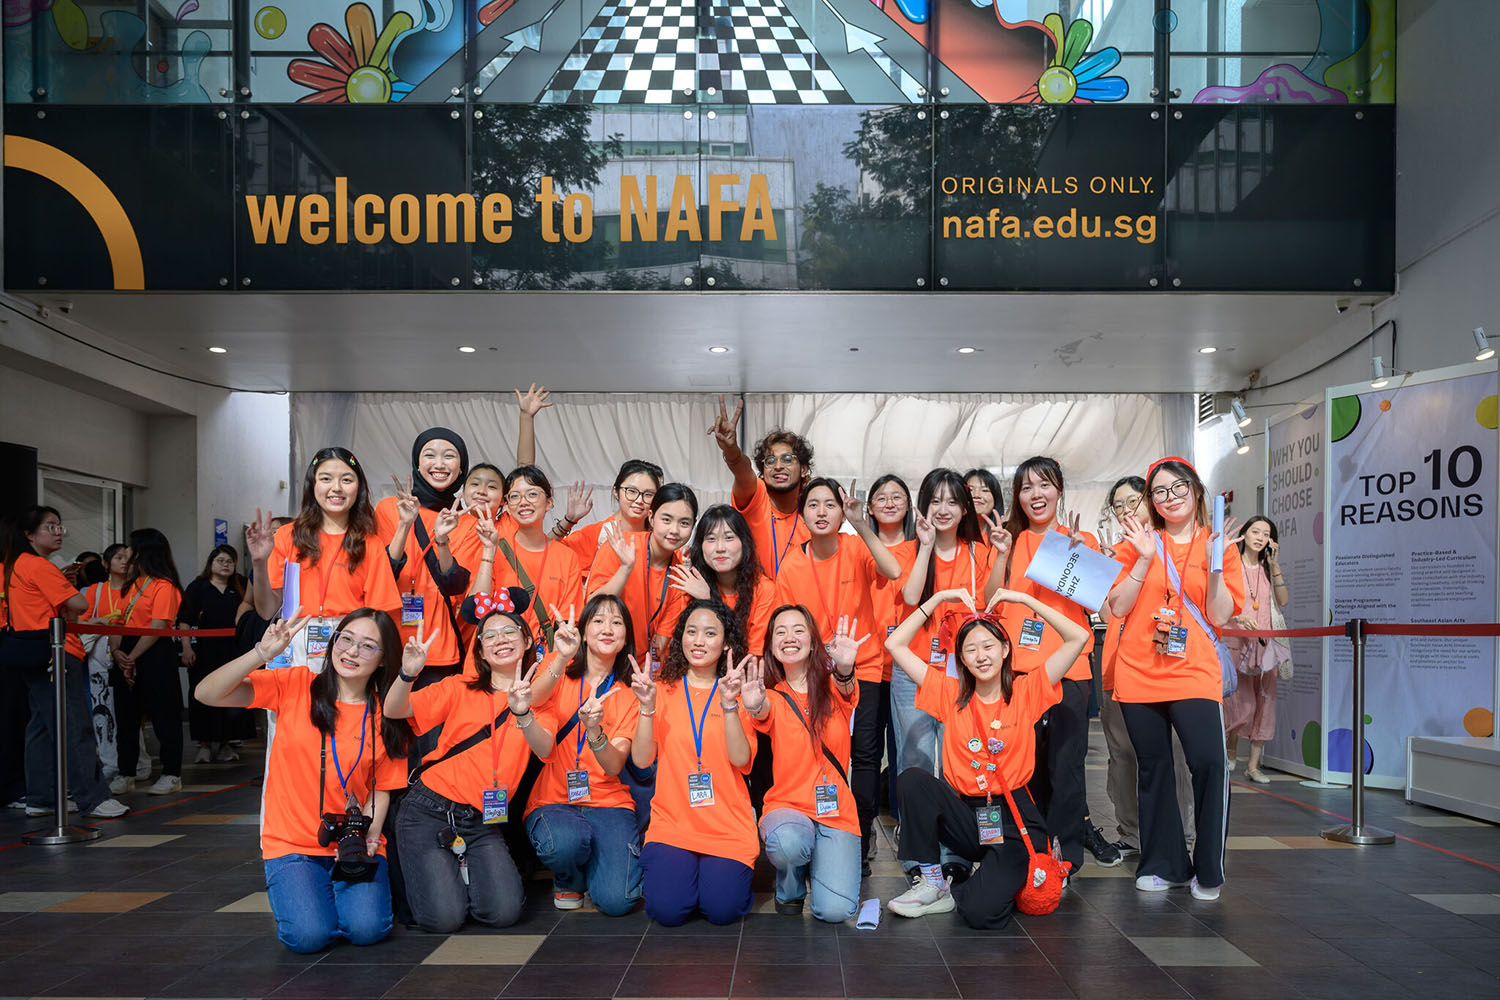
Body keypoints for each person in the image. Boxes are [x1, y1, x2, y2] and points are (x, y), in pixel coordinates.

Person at [195, 610, 410, 952]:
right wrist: (261, 653)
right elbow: (207, 693)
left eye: (368, 646)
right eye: (346, 639)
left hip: (351, 840)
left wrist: (369, 838)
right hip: (291, 843)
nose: (352, 651)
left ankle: (335, 897)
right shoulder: (295, 685)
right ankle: (317, 895)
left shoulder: (387, 712)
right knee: (308, 937)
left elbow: (381, 787)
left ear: (384, 659)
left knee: (367, 930)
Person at [883, 586, 1089, 928]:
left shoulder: (1027, 691)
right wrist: (937, 600)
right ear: (962, 659)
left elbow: (1078, 637)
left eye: (988, 646)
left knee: (981, 913)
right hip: (967, 815)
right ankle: (934, 882)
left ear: (1005, 649)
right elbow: (895, 645)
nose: (981, 656)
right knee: (913, 780)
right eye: (971, 649)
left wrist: (1025, 600)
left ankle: (990, 880)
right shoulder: (949, 694)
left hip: (1014, 822)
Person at [1108, 457, 1243, 901]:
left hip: (1194, 671)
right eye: (1160, 491)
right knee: (1154, 768)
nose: (1170, 497)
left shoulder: (1217, 545)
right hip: (1138, 671)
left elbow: (1220, 615)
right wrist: (1144, 559)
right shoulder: (1138, 542)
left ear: (1196, 490)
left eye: (1179, 487)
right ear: (1151, 500)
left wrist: (1215, 566)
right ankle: (1164, 864)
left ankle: (1209, 868)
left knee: (1208, 762)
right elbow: (1117, 607)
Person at [384, 607, 557, 932]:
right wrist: (407, 674)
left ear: (526, 640)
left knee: (504, 912)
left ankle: (458, 878)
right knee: (444, 920)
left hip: (480, 819)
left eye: (509, 631)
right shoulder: (459, 687)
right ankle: (449, 882)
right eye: (489, 635)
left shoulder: (540, 704)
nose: (500, 639)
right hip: (428, 809)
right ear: (481, 651)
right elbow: (394, 710)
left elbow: (545, 748)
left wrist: (522, 713)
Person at [772, 478, 900, 871]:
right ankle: (824, 827)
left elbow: (893, 569)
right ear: (802, 514)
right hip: (816, 673)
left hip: (865, 665)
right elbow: (785, 623)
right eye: (813, 504)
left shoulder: (855, 547)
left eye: (830, 504)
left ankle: (860, 833)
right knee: (825, 752)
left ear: (842, 511)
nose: (822, 511)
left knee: (865, 755)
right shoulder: (792, 564)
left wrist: (861, 524)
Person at [893, 468, 1009, 880]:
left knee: (959, 759)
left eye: (952, 501)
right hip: (915, 669)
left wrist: (1001, 555)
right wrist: (925, 547)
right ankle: (918, 856)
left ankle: (954, 851)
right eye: (935, 500)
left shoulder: (979, 552)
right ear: (923, 506)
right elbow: (910, 596)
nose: (943, 509)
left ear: (964, 509)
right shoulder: (909, 549)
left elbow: (992, 602)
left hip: (961, 673)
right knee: (916, 757)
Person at [997, 456, 1108, 874]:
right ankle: (1031, 852)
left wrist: (1082, 558)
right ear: (1017, 496)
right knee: (1024, 767)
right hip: (1019, 671)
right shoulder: (1008, 541)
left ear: (1059, 490)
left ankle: (1065, 860)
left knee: (1066, 768)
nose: (1036, 494)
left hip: (1070, 669)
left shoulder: (1081, 540)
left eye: (1044, 485)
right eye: (1026, 487)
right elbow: (990, 600)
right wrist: (999, 555)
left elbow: (1096, 605)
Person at [630, 600, 757, 926]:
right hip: (673, 825)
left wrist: (729, 705)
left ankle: (709, 882)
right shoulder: (660, 691)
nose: (699, 641)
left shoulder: (738, 692)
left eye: (710, 633)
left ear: (726, 642)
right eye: (691, 632)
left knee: (723, 910)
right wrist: (646, 707)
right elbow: (642, 760)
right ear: (681, 638)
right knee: (668, 911)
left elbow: (741, 760)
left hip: (727, 826)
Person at [741, 605, 864, 921]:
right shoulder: (772, 696)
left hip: (836, 811)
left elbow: (846, 685)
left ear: (812, 641)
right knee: (789, 844)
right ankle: (790, 886)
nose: (789, 637)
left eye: (798, 630)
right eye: (780, 632)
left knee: (835, 911)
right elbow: (761, 711)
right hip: (788, 808)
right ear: (771, 645)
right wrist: (753, 705)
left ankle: (820, 861)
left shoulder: (833, 686)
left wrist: (845, 667)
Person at [0, 507, 125, 818]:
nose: (58, 532)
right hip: (54, 651)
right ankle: (93, 798)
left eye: (59, 526)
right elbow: (79, 604)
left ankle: (40, 797)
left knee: (42, 726)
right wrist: (66, 588)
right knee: (74, 725)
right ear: (29, 534)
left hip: (29, 651)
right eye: (50, 526)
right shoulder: (38, 565)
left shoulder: (13, 565)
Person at [524, 593, 644, 914]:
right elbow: (532, 701)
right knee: (564, 842)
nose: (607, 629)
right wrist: (562, 656)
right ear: (584, 632)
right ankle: (569, 877)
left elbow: (614, 764)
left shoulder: (630, 693)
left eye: (616, 623)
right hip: (555, 800)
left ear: (626, 638)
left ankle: (596, 863)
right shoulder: (559, 666)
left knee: (618, 902)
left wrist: (595, 732)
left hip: (607, 802)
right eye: (598, 621)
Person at [1097, 477, 1196, 858]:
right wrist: (1101, 570)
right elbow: (1107, 613)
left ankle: (1182, 833)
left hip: (1167, 667)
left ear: (1151, 500)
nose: (1125, 510)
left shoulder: (1174, 545)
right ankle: (1132, 833)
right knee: (1122, 754)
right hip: (1118, 667)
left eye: (1132, 500)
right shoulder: (1116, 554)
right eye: (1118, 505)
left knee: (1175, 755)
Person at [249, 447, 402, 665]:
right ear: (312, 485)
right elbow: (267, 611)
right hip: (292, 641)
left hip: (350, 646)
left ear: (358, 487)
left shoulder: (370, 544)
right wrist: (258, 563)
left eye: (346, 480)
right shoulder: (286, 536)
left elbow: (379, 615)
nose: (336, 488)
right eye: (326, 479)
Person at [375, 428, 473, 692]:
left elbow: (455, 585)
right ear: (417, 464)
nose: (439, 464)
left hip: (439, 649)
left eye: (449, 456)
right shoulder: (388, 508)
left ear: (461, 468)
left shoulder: (467, 522)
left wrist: (442, 540)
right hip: (388, 646)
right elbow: (382, 574)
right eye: (430, 455)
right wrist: (404, 524)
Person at [110, 528, 187, 795]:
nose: (127, 553)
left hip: (155, 653)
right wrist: (116, 652)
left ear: (143, 551)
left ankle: (171, 774)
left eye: (130, 548)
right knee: (126, 718)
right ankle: (126, 772)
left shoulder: (164, 585)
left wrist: (131, 657)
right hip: (125, 652)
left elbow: (157, 626)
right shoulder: (130, 585)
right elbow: (117, 622)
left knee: (164, 716)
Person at [587, 484, 698, 662]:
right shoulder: (620, 546)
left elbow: (661, 642)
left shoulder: (680, 575)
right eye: (667, 520)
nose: (674, 530)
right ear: (651, 518)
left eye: (684, 523)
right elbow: (592, 607)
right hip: (600, 659)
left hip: (639, 666)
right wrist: (625, 568)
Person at [486, 466, 589, 658]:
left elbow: (568, 620)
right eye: (515, 496)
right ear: (507, 505)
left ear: (549, 502)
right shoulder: (493, 550)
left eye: (532, 494)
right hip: (501, 655)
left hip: (547, 658)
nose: (523, 502)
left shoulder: (566, 557)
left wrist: (552, 666)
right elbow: (480, 607)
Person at [709, 395, 811, 578]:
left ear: (803, 469)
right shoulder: (756, 495)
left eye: (787, 459)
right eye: (770, 461)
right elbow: (742, 471)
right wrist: (731, 451)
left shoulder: (811, 513)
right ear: (763, 471)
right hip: (755, 596)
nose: (778, 466)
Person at [655, 505, 775, 657]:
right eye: (711, 539)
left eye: (729, 538)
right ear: (700, 546)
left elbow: (752, 657)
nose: (720, 548)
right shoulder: (689, 584)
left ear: (744, 542)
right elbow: (668, 648)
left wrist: (708, 600)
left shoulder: (763, 589)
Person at [1224, 516, 1290, 784]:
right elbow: (1219, 601)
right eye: (1255, 531)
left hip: (1266, 643)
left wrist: (1275, 566)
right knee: (1239, 703)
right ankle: (1230, 751)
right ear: (1244, 534)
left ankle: (1253, 766)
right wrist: (1238, 617)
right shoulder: (1231, 564)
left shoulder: (1268, 568)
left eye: (1266, 534)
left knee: (1265, 703)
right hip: (1236, 640)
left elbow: (1283, 601)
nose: (1260, 538)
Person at [866, 475, 917, 819]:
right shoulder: (860, 549)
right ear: (870, 507)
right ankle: (864, 822)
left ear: (909, 506)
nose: (889, 502)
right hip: (869, 666)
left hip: (909, 667)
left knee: (906, 750)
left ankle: (905, 820)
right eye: (881, 497)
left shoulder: (920, 548)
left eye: (897, 496)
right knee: (867, 751)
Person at [180, 544, 251, 764]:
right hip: (203, 652)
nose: (225, 565)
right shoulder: (197, 587)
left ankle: (225, 744)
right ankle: (203, 744)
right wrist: (186, 647)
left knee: (231, 694)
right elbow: (185, 620)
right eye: (220, 561)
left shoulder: (240, 586)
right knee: (202, 695)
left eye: (229, 561)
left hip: (233, 652)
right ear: (211, 563)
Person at [561, 459, 665, 585]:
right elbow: (547, 552)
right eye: (632, 491)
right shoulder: (600, 533)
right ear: (616, 491)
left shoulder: (659, 536)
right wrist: (568, 521)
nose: (639, 500)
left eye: (649, 494)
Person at [82, 542, 130, 781]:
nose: (124, 562)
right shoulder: (96, 590)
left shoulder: (136, 588)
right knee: (103, 708)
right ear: (106, 563)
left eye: (127, 557)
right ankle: (110, 760)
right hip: (100, 654)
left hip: (128, 652)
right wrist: (99, 621)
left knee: (130, 711)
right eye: (118, 557)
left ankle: (136, 762)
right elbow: (82, 619)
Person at [963, 468, 1006, 536]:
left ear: (996, 498)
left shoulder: (1004, 536)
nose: (976, 495)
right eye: (970, 490)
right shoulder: (950, 535)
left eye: (984, 490)